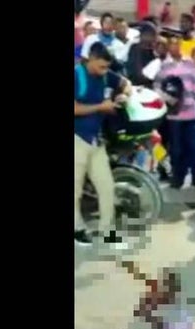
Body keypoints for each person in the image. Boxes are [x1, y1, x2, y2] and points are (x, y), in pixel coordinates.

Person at [74, 42, 131, 247]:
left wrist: (124, 94)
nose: (105, 71)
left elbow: (125, 83)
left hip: (96, 140)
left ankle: (107, 231)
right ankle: (77, 229)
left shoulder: (106, 75)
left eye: (107, 67)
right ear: (91, 59)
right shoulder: (77, 76)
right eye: (101, 66)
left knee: (106, 186)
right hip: (77, 139)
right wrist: (101, 107)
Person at [154, 37, 195, 191]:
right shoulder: (164, 66)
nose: (174, 47)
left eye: (177, 44)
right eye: (171, 44)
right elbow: (157, 86)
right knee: (176, 149)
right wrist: (168, 99)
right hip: (174, 115)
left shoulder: (190, 64)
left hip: (191, 114)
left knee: (194, 148)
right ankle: (177, 178)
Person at [125, 22, 158, 87]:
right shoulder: (135, 48)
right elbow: (138, 74)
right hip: (136, 85)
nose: (155, 38)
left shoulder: (152, 51)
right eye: (153, 35)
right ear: (144, 35)